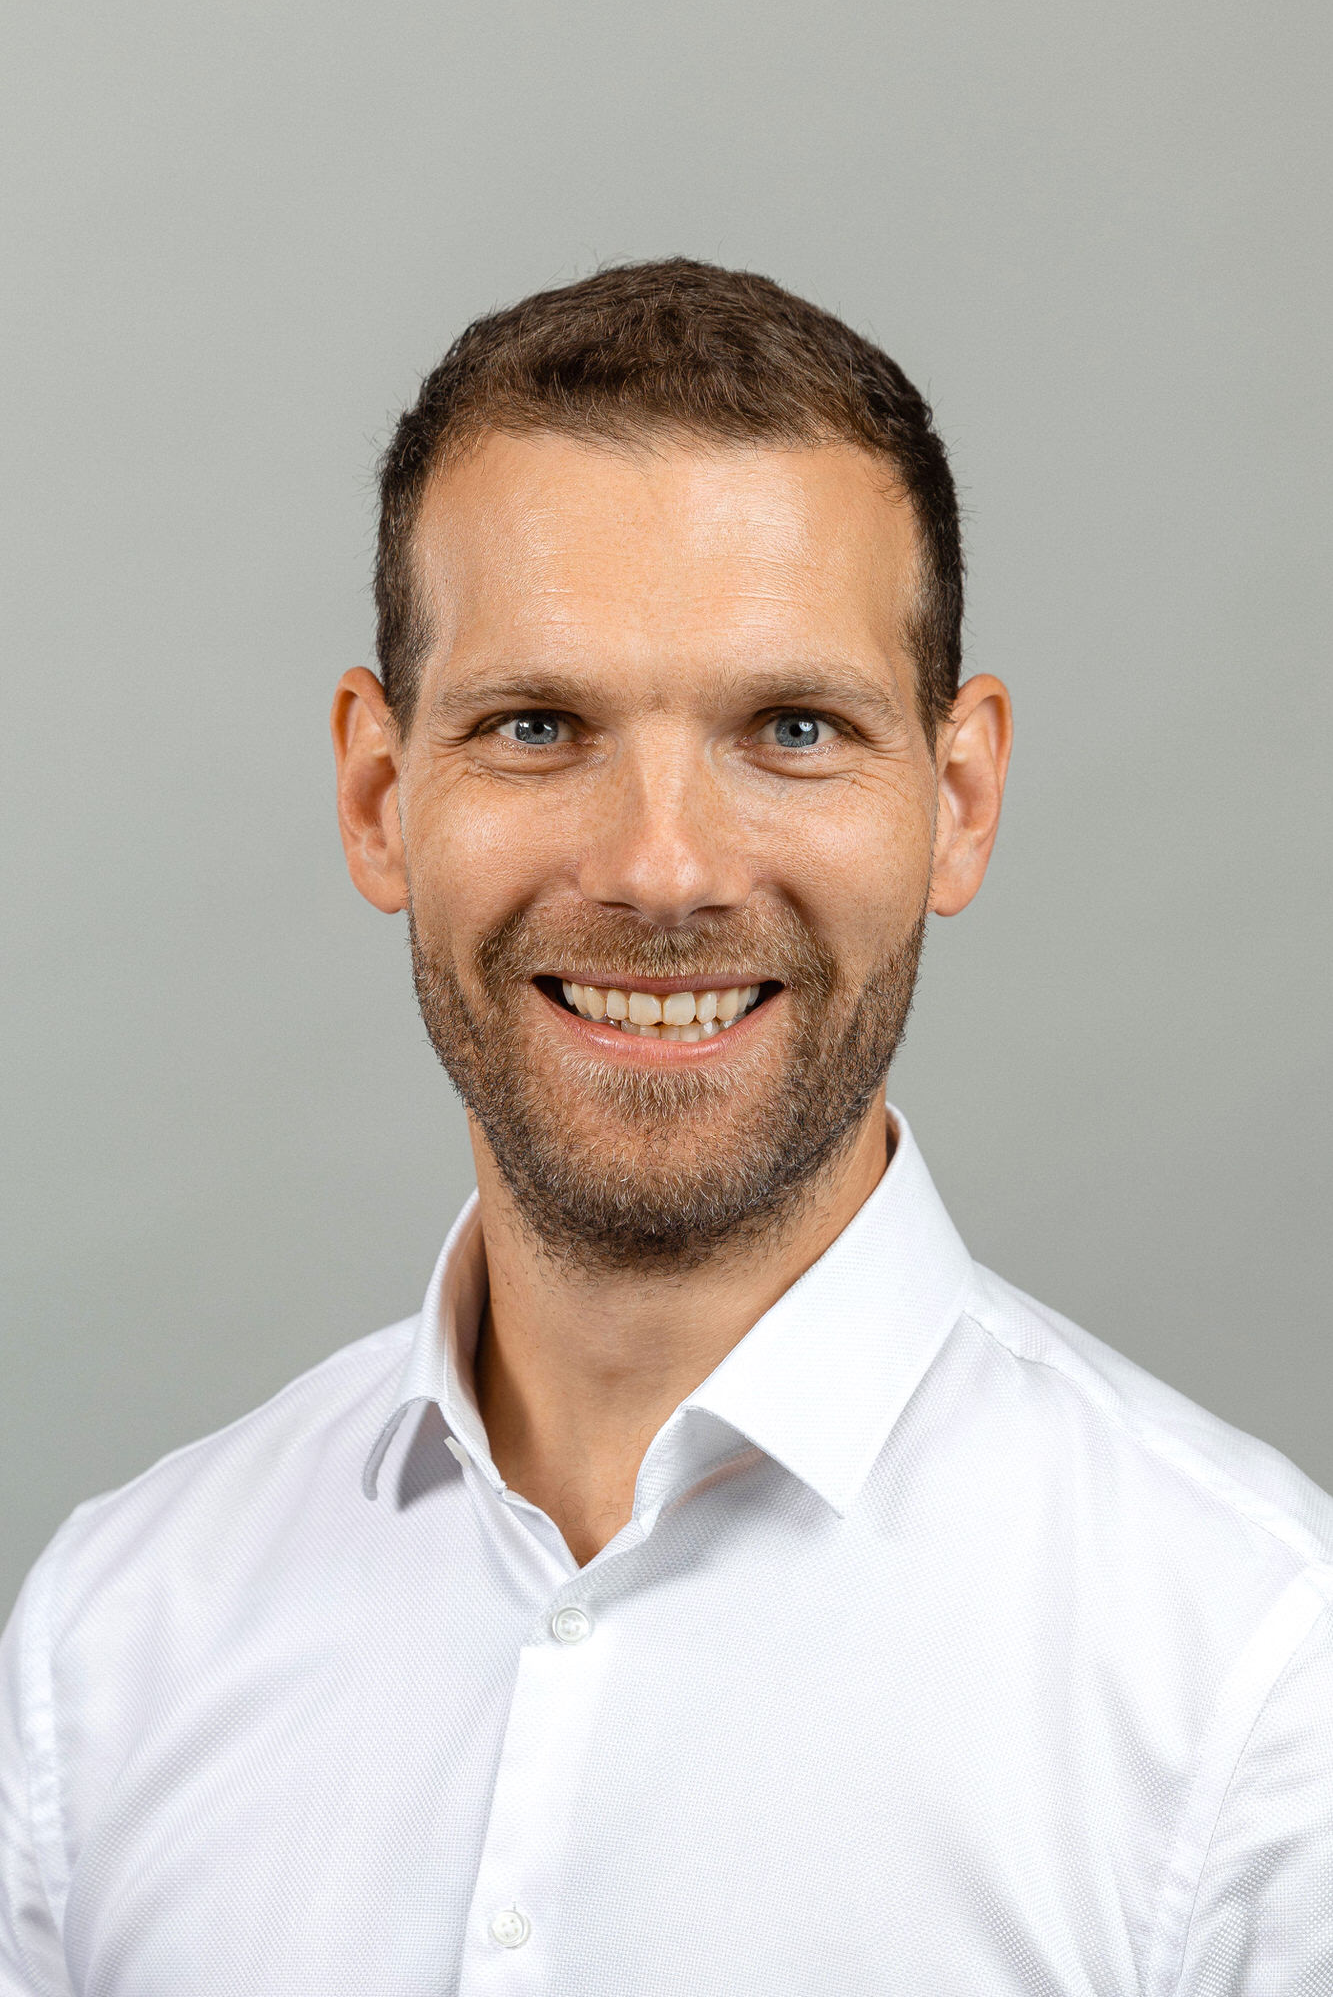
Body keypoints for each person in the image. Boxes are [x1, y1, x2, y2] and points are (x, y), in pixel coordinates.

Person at [2, 259, 1329, 1996]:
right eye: (536, 727)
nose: (662, 870)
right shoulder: (108, 1645)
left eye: (793, 729)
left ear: (958, 799)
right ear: (378, 794)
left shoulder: (1259, 1684)